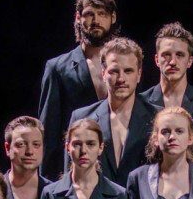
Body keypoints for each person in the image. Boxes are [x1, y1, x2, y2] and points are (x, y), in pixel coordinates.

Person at [38, 0, 119, 181]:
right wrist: (48, 184)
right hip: (74, 169)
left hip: (118, 168)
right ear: (78, 17)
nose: (96, 20)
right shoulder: (58, 67)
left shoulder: (127, 66)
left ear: (113, 17)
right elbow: (49, 132)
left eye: (102, 14)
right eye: (89, 14)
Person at [69, 37, 161, 187]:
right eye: (114, 71)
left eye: (128, 71)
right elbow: (71, 176)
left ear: (139, 74)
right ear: (103, 73)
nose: (121, 78)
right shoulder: (82, 118)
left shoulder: (158, 118)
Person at [140, 22, 193, 117]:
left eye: (179, 55)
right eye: (167, 54)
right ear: (157, 60)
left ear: (190, 61)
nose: (173, 62)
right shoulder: (141, 102)